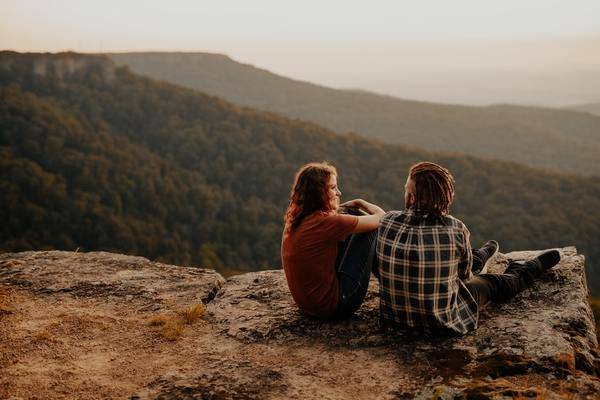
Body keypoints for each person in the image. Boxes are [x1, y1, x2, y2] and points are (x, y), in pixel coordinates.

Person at [376, 161, 561, 335]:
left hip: (395, 322)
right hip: (442, 323)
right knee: (491, 283)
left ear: (411, 198)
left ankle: (480, 257)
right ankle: (524, 270)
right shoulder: (455, 228)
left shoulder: (386, 221)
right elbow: (464, 277)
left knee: (456, 269)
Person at [281, 162, 386, 319]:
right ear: (318, 193)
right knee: (370, 229)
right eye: (333, 188)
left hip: (308, 305)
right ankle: (390, 283)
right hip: (336, 306)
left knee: (351, 215)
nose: (339, 192)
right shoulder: (326, 222)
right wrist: (360, 203)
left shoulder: (297, 217)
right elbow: (381, 219)